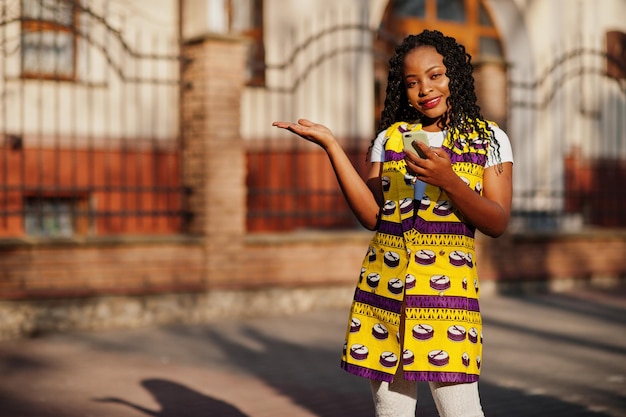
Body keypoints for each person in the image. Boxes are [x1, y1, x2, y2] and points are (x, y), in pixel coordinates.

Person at [273, 29, 513, 417]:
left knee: (460, 410)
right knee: (391, 408)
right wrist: (332, 147)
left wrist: (449, 180)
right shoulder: (390, 138)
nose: (425, 89)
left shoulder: (489, 139)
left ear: (456, 75)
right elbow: (371, 215)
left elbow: (497, 221)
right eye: (412, 82)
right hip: (383, 291)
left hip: (446, 297)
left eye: (435, 75)